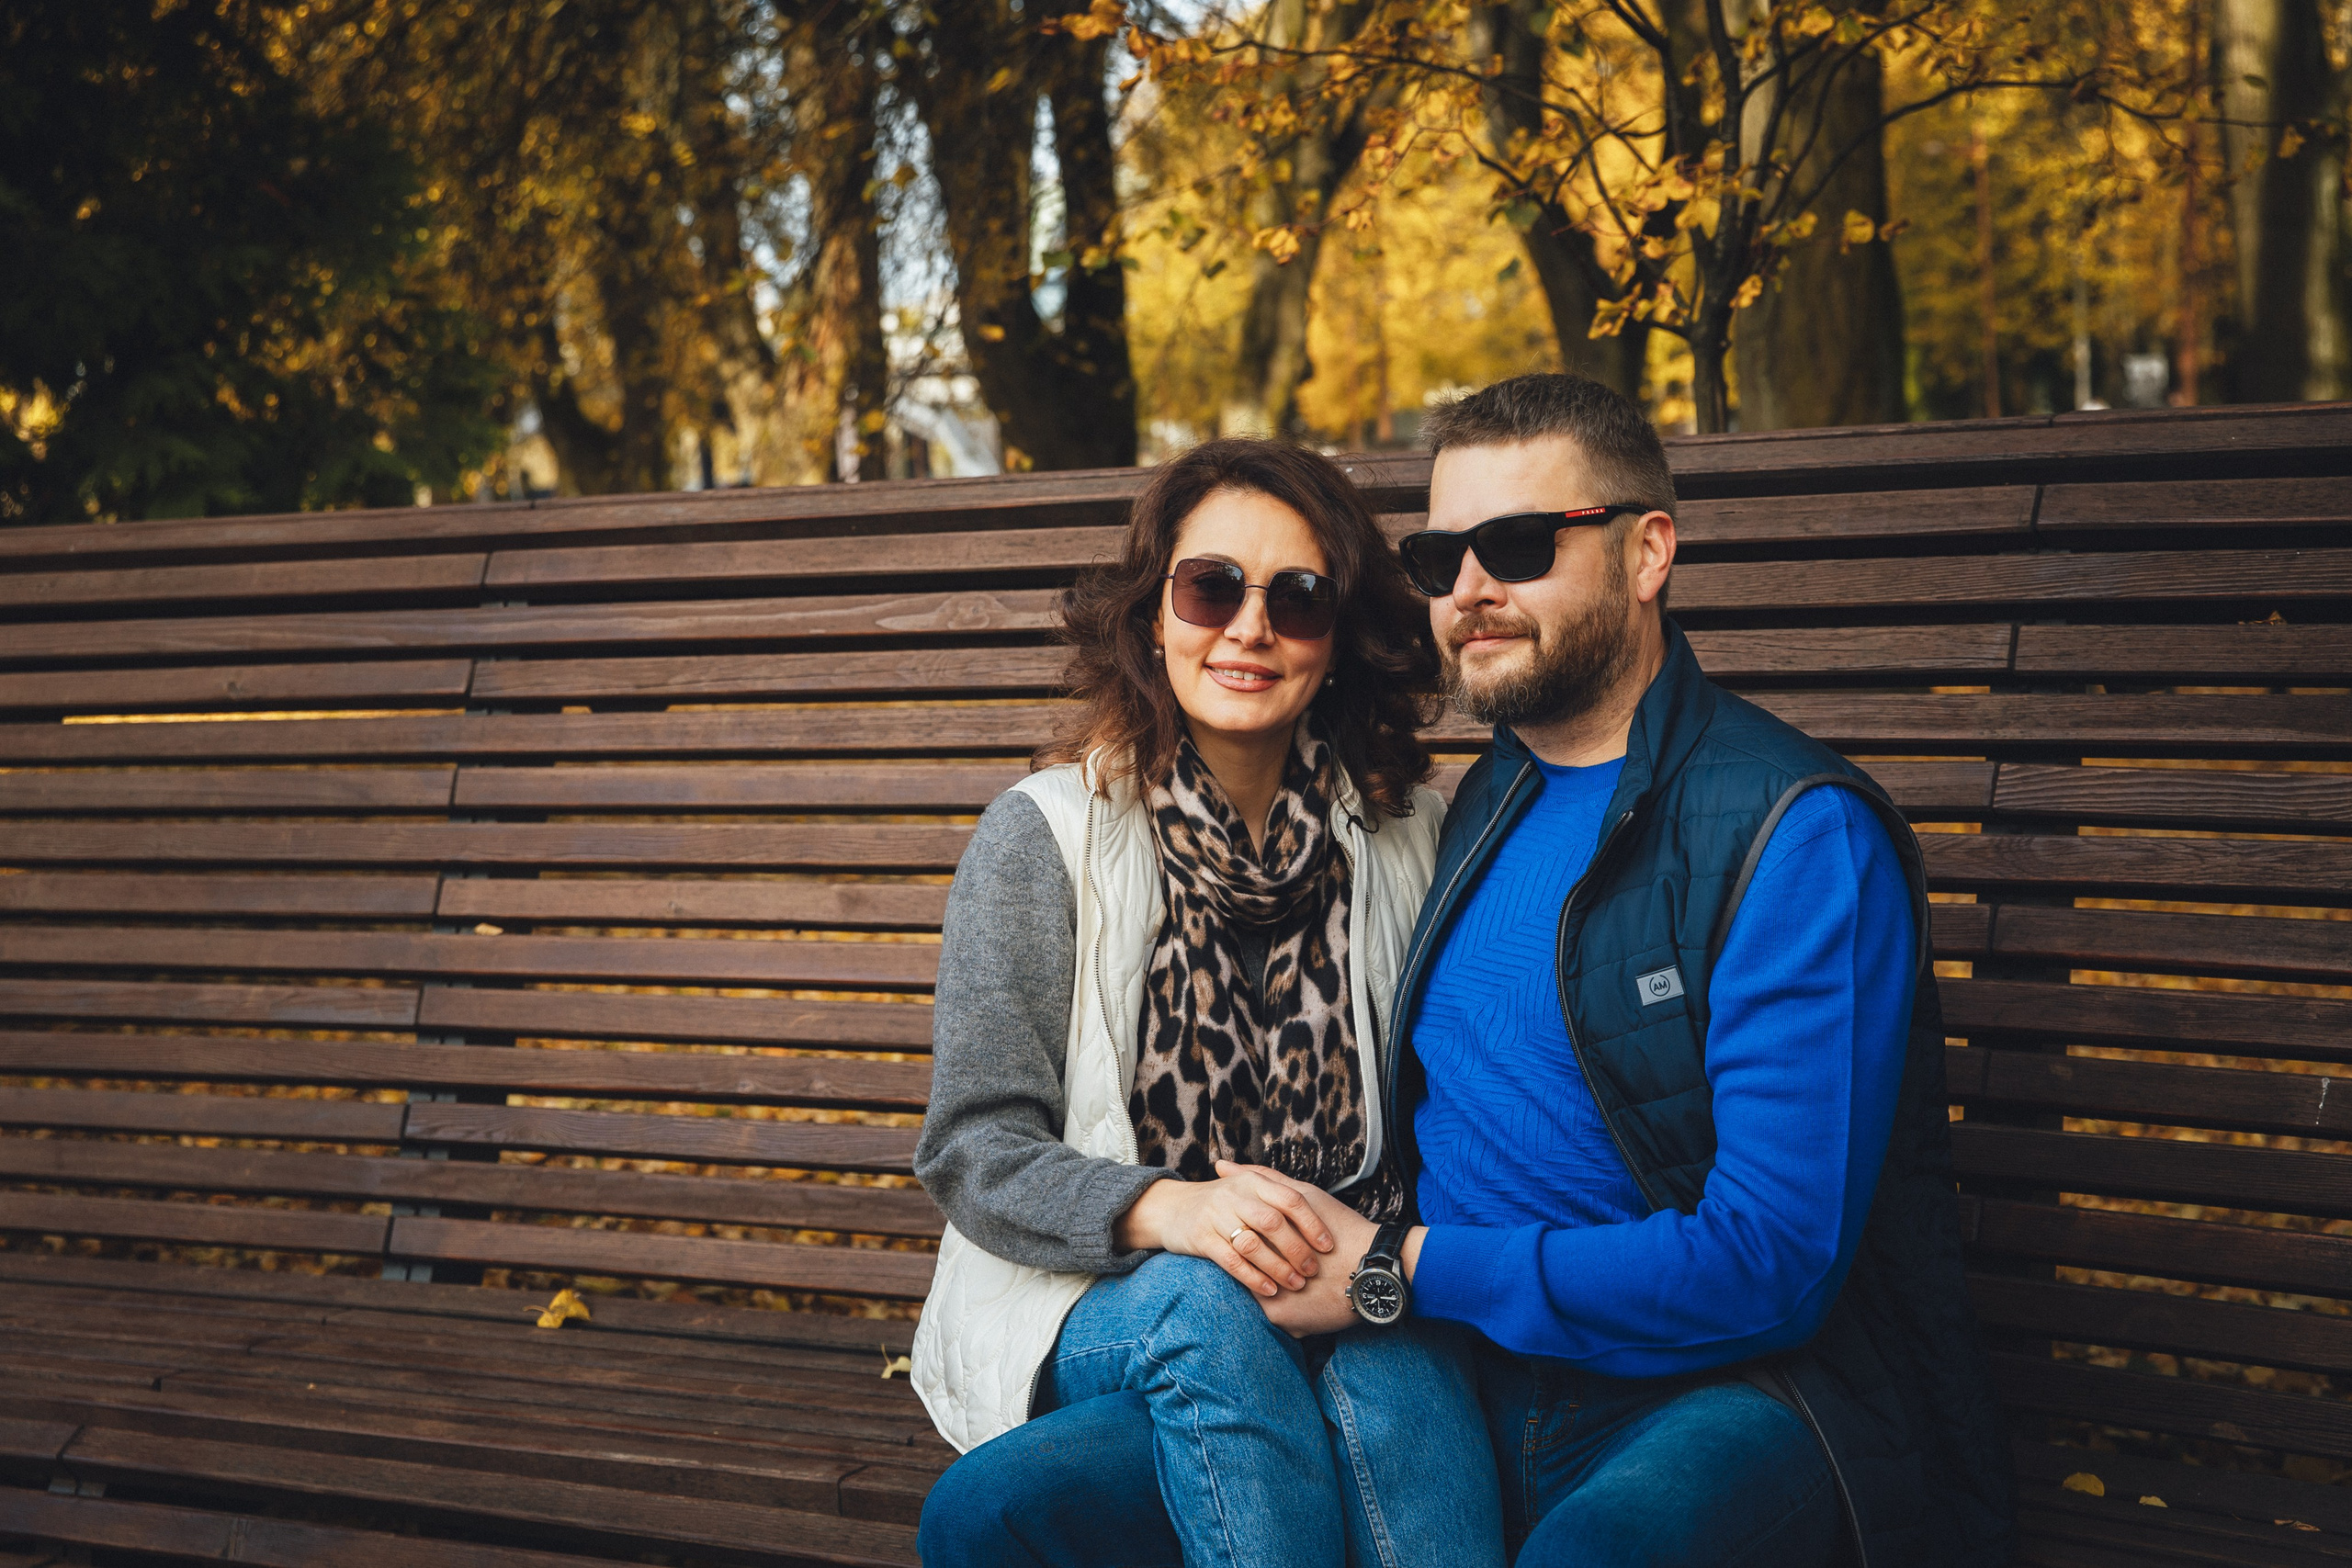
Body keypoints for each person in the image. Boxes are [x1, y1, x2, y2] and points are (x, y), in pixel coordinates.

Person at [1233, 373, 2017, 1567]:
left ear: (1648, 551)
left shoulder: (1796, 830)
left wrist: (1401, 1266)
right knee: (1005, 1509)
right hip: (1446, 1369)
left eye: (1517, 543)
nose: (1471, 590)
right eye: (1441, 555)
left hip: (1729, 1396)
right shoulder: (1482, 799)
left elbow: (1768, 1266)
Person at [910, 438, 1507, 1568]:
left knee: (1403, 1378)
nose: (1249, 628)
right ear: (1153, 618)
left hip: (1348, 1264)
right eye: (1212, 587)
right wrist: (1171, 1213)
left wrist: (1373, 1258)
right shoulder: (1042, 838)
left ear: (1337, 641)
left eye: (1299, 597)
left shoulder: (1412, 837)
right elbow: (974, 1150)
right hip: (1104, 1285)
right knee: (1205, 1317)